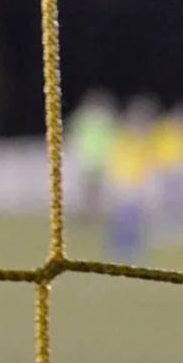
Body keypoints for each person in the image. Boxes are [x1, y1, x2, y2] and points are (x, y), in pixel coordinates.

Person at [103, 95, 159, 263]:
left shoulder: (144, 141)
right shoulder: (122, 138)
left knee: (134, 218)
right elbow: (115, 159)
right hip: (123, 182)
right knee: (123, 217)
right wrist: (114, 180)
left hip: (136, 182)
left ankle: (130, 248)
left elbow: (147, 161)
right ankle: (118, 249)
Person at [147, 100, 183, 245]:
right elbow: (154, 147)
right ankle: (162, 232)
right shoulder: (164, 130)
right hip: (165, 171)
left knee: (179, 205)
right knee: (163, 204)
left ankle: (179, 231)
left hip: (180, 174)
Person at [66, 89, 117, 222]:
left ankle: (91, 213)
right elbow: (74, 135)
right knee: (89, 189)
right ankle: (88, 213)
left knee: (93, 189)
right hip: (89, 159)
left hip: (95, 159)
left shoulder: (96, 118)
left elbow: (112, 137)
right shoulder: (90, 118)